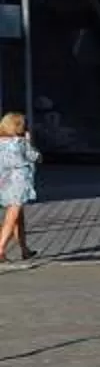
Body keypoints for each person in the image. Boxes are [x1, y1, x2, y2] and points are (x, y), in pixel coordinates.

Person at [0, 111, 35, 262]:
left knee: (18, 217)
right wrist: (29, 143)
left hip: (4, 182)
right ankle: (0, 249)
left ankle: (24, 249)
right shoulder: (19, 143)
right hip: (17, 182)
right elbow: (33, 156)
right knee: (12, 215)